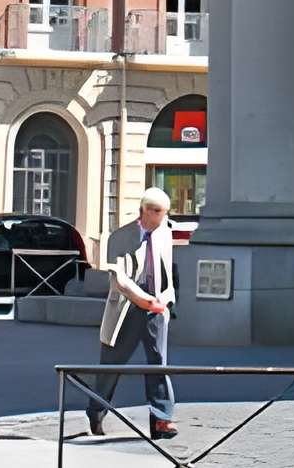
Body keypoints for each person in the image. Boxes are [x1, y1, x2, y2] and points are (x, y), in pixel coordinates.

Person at [78, 189, 177, 440]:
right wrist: (144, 301)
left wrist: (165, 300)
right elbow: (120, 281)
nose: (162, 218)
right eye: (157, 213)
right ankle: (96, 410)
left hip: (155, 309)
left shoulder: (165, 233)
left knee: (158, 363)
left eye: (164, 213)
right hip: (127, 308)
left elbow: (167, 274)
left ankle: (162, 419)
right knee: (111, 365)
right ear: (144, 210)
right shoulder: (120, 237)